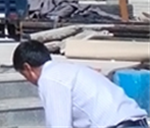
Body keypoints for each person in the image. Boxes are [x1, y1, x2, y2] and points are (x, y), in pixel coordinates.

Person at [12, 40, 148, 128]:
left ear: (28, 68)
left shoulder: (49, 79)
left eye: (24, 75)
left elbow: (59, 125)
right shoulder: (70, 69)